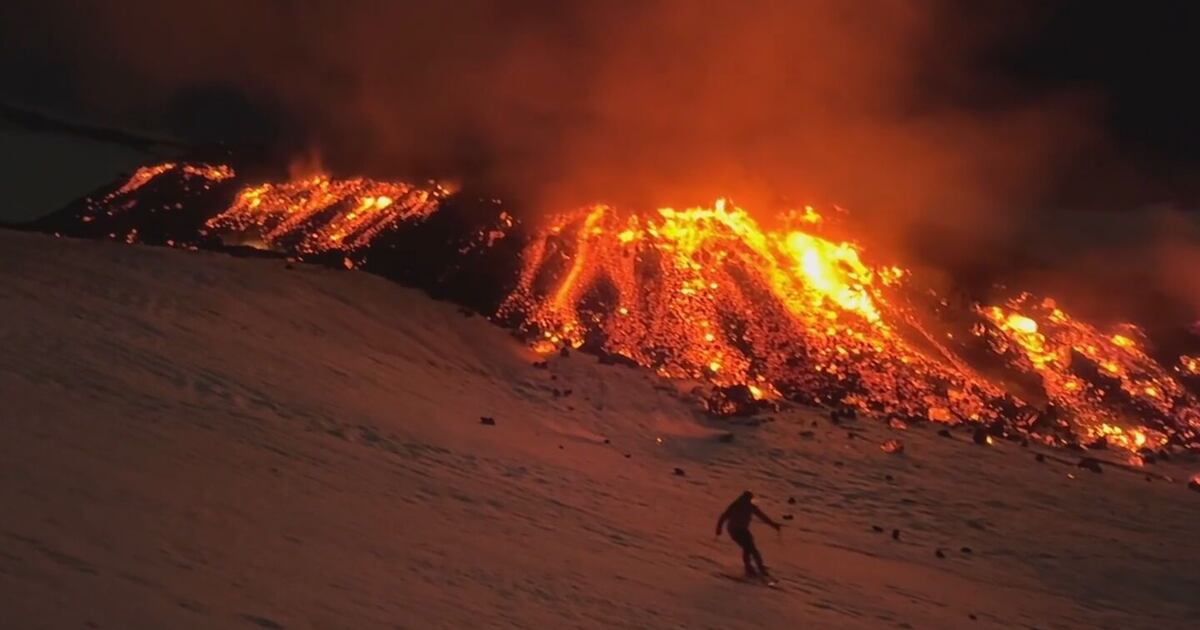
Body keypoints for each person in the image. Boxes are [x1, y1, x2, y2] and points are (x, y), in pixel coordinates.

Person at [715, 490, 781, 578]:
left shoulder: (751, 507)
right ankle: (749, 568)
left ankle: (759, 567)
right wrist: (719, 529)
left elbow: (762, 517)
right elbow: (723, 517)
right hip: (734, 530)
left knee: (752, 549)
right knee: (748, 547)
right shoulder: (735, 506)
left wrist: (773, 525)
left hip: (743, 530)